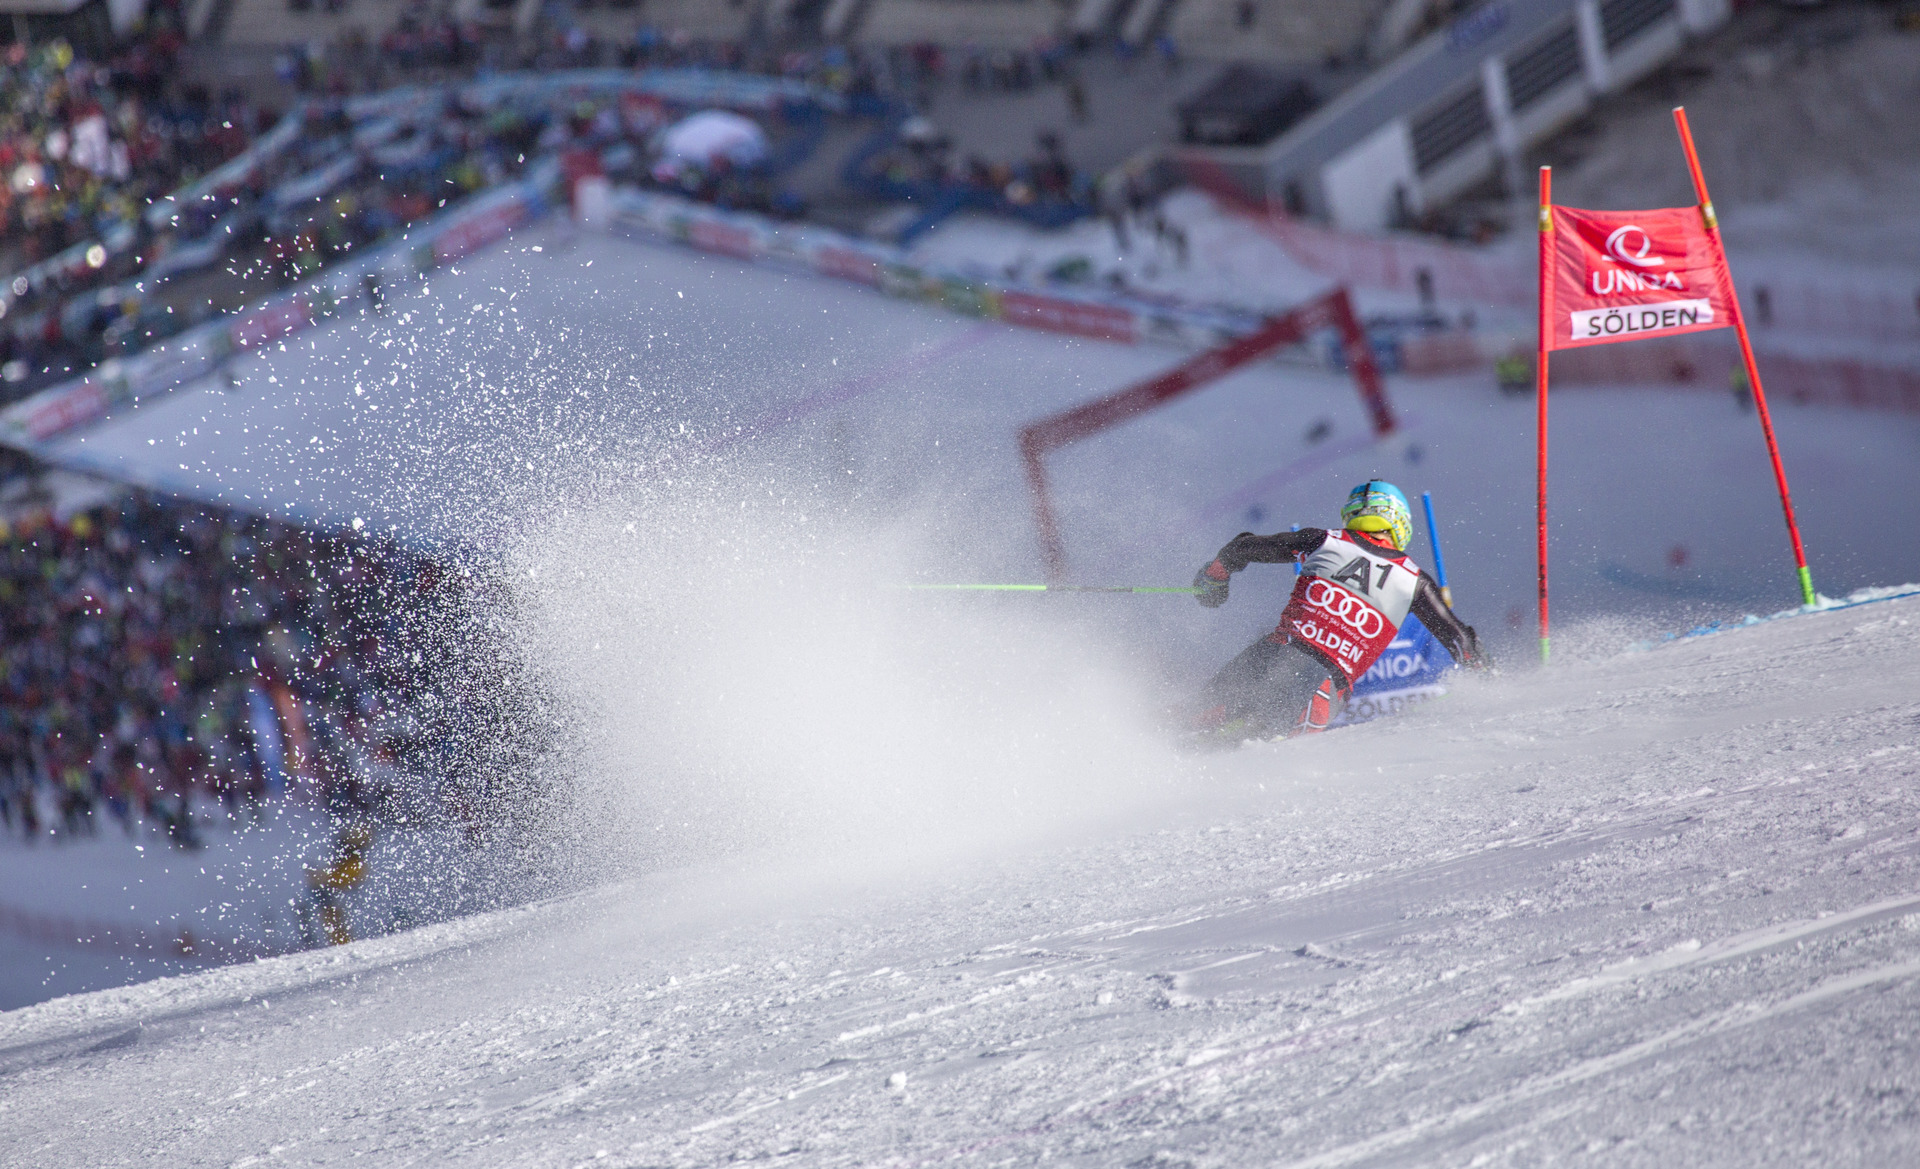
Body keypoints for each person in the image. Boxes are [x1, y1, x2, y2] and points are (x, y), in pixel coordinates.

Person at [1189, 480, 1489, 743]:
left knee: (1187, 723)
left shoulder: (1325, 540)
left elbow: (1241, 548)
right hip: (1323, 693)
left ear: (1353, 514)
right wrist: (1493, 682)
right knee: (1261, 755)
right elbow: (1463, 642)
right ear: (1400, 522)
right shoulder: (1414, 581)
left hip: (1274, 657)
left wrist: (1214, 578)